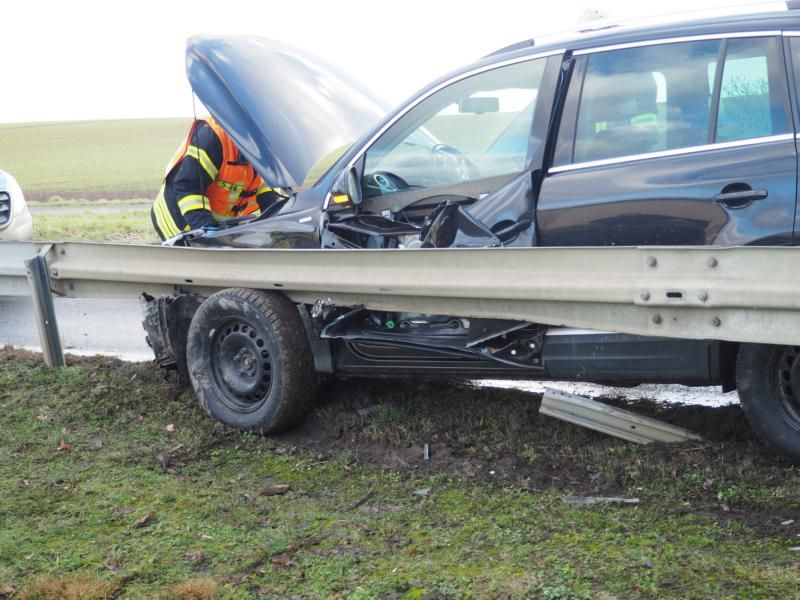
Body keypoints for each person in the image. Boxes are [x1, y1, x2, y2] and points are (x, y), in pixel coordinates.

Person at [151, 117, 282, 241]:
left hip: (216, 223)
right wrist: (207, 231)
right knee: (192, 257)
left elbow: (265, 188)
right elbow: (187, 186)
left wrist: (277, 224)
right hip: (177, 219)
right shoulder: (212, 137)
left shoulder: (263, 145)